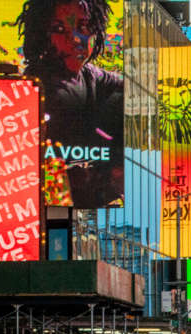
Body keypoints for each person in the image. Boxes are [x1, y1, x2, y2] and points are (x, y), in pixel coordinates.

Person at [14, 0, 124, 207]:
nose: (74, 39)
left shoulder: (90, 75)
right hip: (50, 207)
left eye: (83, 27)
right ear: (42, 35)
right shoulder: (36, 86)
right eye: (58, 29)